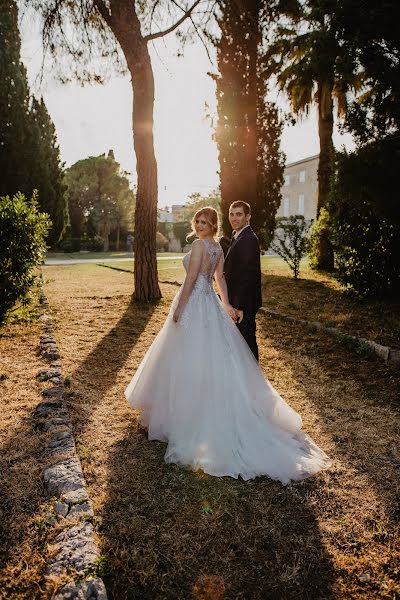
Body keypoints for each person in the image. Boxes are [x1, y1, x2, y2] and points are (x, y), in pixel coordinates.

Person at [125, 207, 331, 483]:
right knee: (205, 357)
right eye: (197, 221)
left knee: (187, 358)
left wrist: (180, 309)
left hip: (195, 305)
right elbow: (218, 279)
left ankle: (186, 420)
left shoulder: (200, 246)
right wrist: (227, 306)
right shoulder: (218, 249)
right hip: (209, 304)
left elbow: (191, 279)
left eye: (205, 222)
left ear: (212, 225)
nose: (199, 226)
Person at [223, 201, 262, 361]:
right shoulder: (237, 235)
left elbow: (247, 277)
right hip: (238, 301)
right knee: (239, 345)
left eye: (238, 214)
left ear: (248, 217)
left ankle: (254, 382)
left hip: (244, 305)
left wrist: (239, 307)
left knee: (247, 344)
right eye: (231, 214)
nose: (234, 218)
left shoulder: (248, 239)